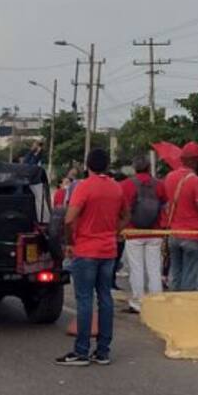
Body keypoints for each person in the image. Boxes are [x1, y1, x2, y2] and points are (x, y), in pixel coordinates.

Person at [56, 148, 128, 366]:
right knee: (105, 298)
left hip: (86, 250)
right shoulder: (116, 188)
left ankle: (81, 352)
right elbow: (126, 215)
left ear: (87, 165)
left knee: (85, 300)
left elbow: (69, 219)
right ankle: (103, 351)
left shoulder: (84, 187)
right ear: (107, 165)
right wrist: (114, 232)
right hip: (108, 250)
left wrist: (69, 242)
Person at [120, 154, 166, 313]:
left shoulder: (127, 185)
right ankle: (157, 301)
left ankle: (137, 303)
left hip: (134, 231)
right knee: (154, 268)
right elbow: (165, 204)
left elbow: (122, 208)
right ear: (149, 167)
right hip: (155, 231)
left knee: (136, 268)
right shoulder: (159, 185)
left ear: (134, 168)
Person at [162, 142, 198, 291]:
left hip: (174, 235)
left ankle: (174, 307)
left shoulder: (169, 177)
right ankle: (186, 308)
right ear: (195, 160)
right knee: (190, 277)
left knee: (176, 274)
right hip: (193, 235)